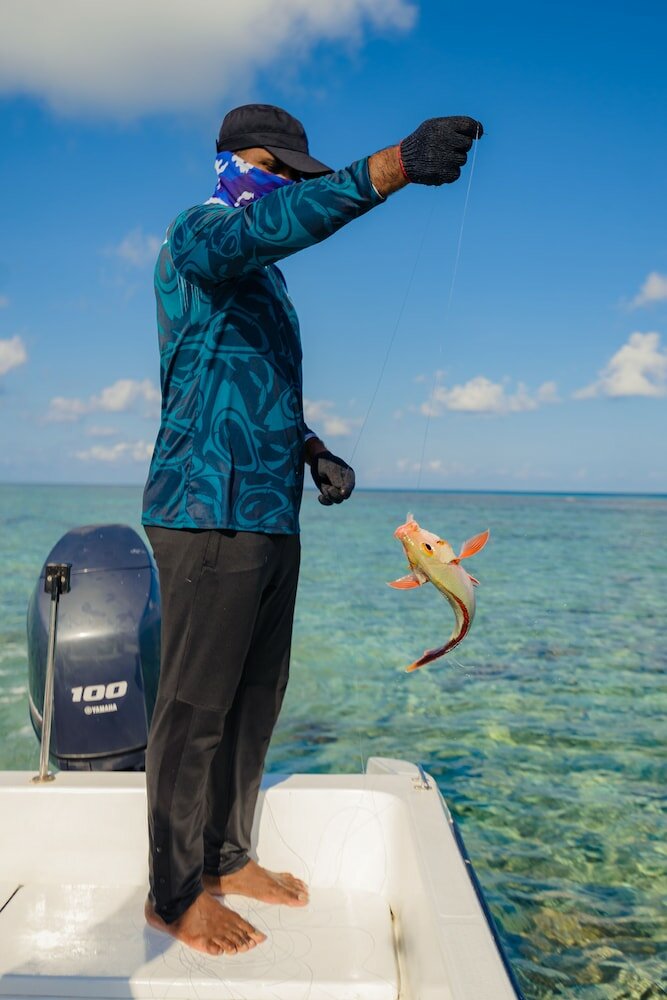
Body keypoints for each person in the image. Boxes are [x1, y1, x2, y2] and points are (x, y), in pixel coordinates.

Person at [141, 103, 483, 957]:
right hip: (204, 506)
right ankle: (172, 894)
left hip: (268, 510)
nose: (283, 183)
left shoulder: (267, 281)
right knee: (194, 709)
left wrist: (312, 450)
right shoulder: (200, 234)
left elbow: (250, 380)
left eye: (293, 173)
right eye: (275, 168)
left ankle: (225, 856)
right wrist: (391, 166)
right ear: (232, 160)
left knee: (255, 699)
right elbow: (273, 226)